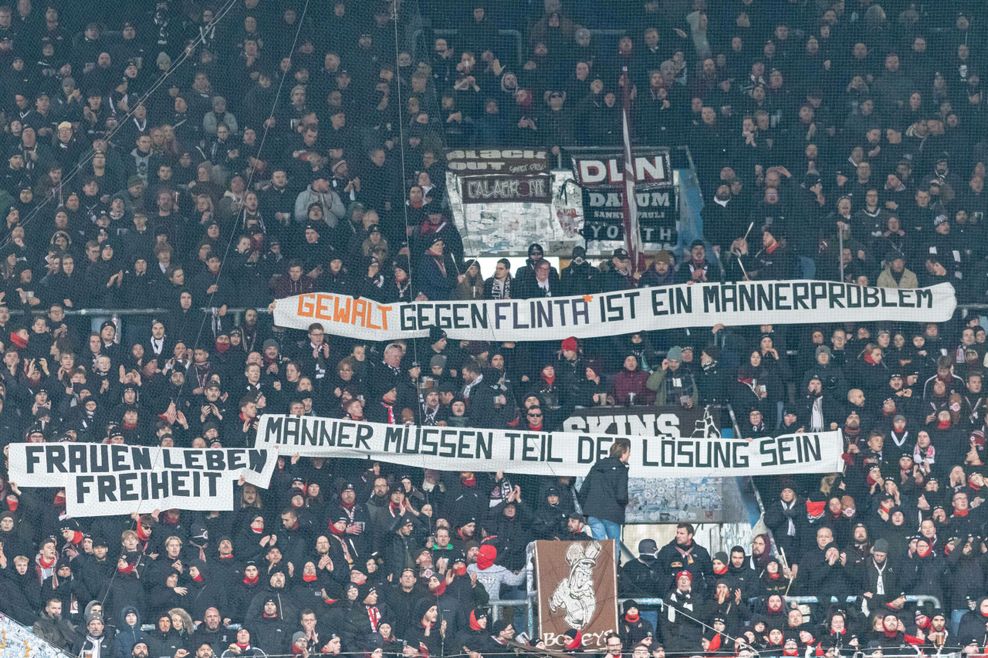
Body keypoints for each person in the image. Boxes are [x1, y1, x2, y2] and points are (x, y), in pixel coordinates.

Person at [577, 438, 630, 540]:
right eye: (628, 452)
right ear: (622, 453)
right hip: (612, 515)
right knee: (614, 546)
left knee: (600, 547)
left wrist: (588, 509)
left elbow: (583, 491)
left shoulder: (596, 466)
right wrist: (624, 503)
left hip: (593, 513)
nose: (629, 455)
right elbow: (621, 496)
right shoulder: (621, 469)